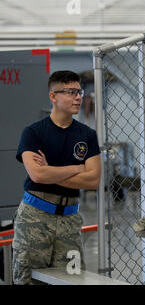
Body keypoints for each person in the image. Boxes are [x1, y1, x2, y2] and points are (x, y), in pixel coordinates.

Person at [13, 70, 101, 284]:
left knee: (71, 279)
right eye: (71, 92)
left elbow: (93, 180)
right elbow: (37, 174)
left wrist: (50, 171)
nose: (79, 97)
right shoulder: (33, 133)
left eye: (79, 92)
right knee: (28, 279)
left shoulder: (87, 135)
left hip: (69, 220)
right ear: (53, 97)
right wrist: (77, 168)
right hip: (35, 217)